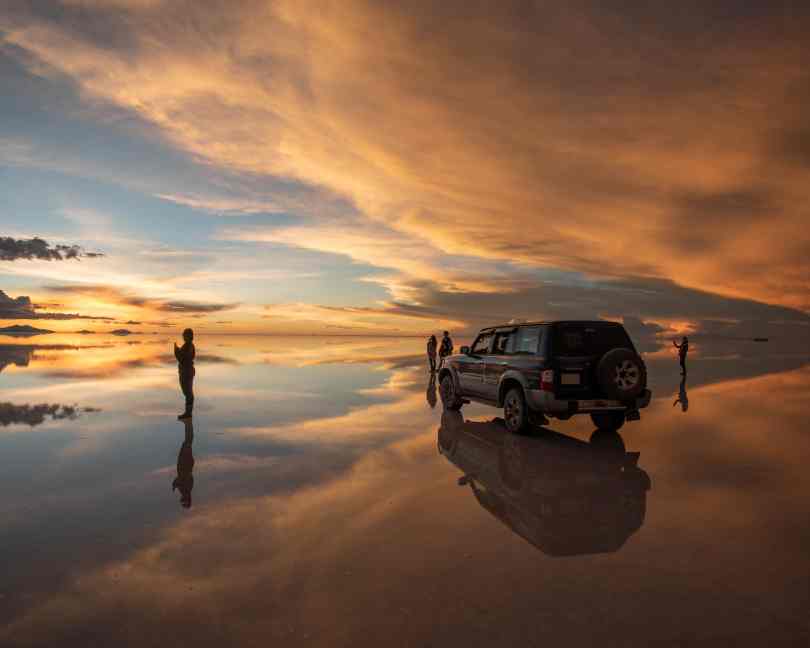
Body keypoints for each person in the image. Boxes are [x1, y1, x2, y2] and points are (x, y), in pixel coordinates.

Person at [172, 418, 195, 508]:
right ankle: (188, 423)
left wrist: (175, 485)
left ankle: (187, 423)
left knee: (187, 442)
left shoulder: (185, 490)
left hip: (185, 463)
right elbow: (183, 478)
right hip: (186, 463)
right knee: (188, 442)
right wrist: (176, 484)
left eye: (182, 501)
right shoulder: (187, 489)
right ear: (187, 498)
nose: (182, 499)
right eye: (184, 501)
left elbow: (179, 480)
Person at [174, 328, 196, 420]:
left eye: (184, 334)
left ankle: (188, 413)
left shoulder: (189, 345)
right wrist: (178, 350)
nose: (183, 336)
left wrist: (176, 350)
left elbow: (183, 358)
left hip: (187, 371)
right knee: (187, 392)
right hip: (186, 371)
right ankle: (188, 412)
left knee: (188, 392)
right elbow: (184, 357)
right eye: (183, 334)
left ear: (189, 336)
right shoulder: (188, 345)